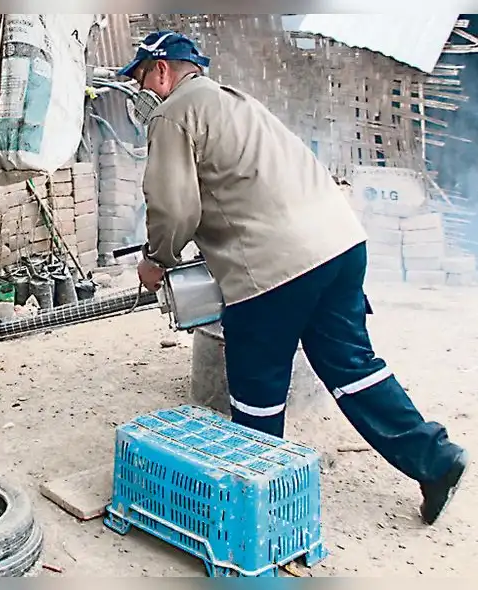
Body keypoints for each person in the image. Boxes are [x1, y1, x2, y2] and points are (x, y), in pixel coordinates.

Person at [118, 30, 469, 525]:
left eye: (142, 79)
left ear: (162, 70)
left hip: (276, 267)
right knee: (351, 365)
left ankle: (257, 509)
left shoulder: (175, 111)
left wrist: (158, 259)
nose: (143, 91)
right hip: (341, 243)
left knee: (256, 386)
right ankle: (434, 461)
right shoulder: (238, 102)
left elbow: (175, 208)